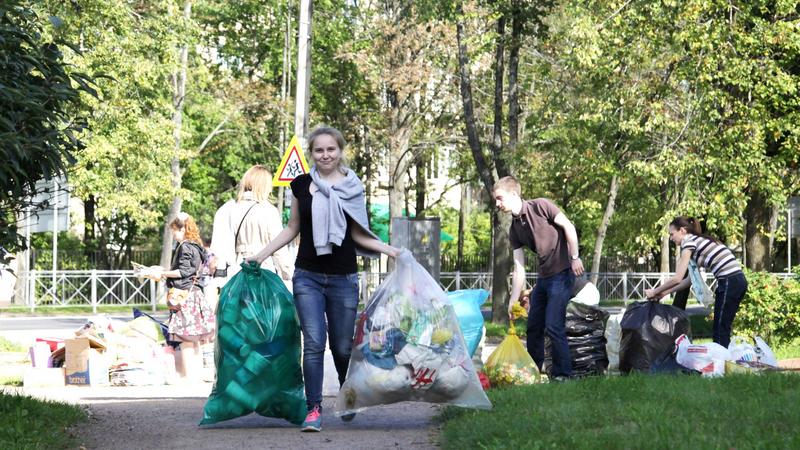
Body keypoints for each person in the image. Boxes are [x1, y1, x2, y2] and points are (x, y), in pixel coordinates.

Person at [248, 126, 400, 432]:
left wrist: (392, 250)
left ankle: (347, 394)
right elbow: (292, 229)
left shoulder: (353, 186)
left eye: (331, 149)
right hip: (308, 277)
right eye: (319, 150)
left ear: (340, 151)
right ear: (311, 153)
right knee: (314, 344)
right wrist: (261, 255)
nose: (325, 155)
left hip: (344, 278)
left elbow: (359, 234)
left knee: (342, 347)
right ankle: (314, 409)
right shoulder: (301, 185)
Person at [493, 176, 584, 381]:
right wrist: (513, 300)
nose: (497, 204)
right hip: (544, 279)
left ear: (514, 194)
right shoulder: (514, 228)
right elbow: (519, 268)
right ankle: (532, 372)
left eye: (500, 198)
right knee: (533, 326)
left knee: (553, 325)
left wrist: (575, 257)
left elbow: (568, 226)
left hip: (562, 273)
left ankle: (563, 375)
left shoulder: (541, 206)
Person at [645, 216, 747, 347]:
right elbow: (688, 281)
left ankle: (721, 364)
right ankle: (723, 361)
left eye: (672, 234)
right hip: (737, 281)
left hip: (729, 281)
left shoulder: (688, 243)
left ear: (682, 231)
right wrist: (664, 293)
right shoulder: (697, 241)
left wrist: (655, 291)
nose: (671, 238)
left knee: (720, 327)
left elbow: (677, 277)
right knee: (722, 326)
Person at [209, 165, 293, 292]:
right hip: (263, 274)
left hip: (234, 276)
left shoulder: (226, 209)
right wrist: (288, 274)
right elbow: (279, 250)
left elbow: (218, 249)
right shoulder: (269, 211)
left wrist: (219, 279)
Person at [155, 212, 216, 379]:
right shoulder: (197, 246)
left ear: (182, 229)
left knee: (186, 338)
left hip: (184, 296)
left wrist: (163, 273)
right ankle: (195, 375)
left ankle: (189, 377)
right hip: (195, 294)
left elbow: (183, 271)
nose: (173, 235)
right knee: (194, 338)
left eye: (174, 231)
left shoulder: (185, 246)